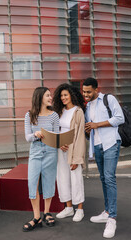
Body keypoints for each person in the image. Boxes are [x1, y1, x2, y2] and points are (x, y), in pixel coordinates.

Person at [83, 77, 124, 238]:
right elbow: (90, 128)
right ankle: (107, 211)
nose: (85, 94)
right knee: (103, 178)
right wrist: (88, 131)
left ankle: (112, 219)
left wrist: (97, 124)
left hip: (110, 143)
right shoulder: (87, 107)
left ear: (95, 89)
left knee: (109, 177)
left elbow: (120, 118)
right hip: (97, 146)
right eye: (83, 91)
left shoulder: (108, 99)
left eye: (88, 92)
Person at [23, 87, 59, 231]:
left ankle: (47, 213)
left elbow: (57, 136)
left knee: (49, 182)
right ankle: (36, 217)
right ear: (40, 97)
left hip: (51, 152)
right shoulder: (29, 115)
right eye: (48, 95)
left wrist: (53, 138)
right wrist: (36, 134)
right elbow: (27, 137)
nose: (51, 97)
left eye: (50, 95)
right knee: (33, 184)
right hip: (36, 152)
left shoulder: (54, 115)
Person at [53, 83, 86, 222]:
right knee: (62, 178)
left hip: (74, 150)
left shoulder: (78, 112)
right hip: (61, 149)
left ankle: (79, 209)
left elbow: (80, 136)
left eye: (65, 95)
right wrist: (59, 143)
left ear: (72, 95)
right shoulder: (59, 111)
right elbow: (56, 131)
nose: (63, 98)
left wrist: (77, 158)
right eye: (61, 96)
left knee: (76, 179)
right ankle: (68, 208)